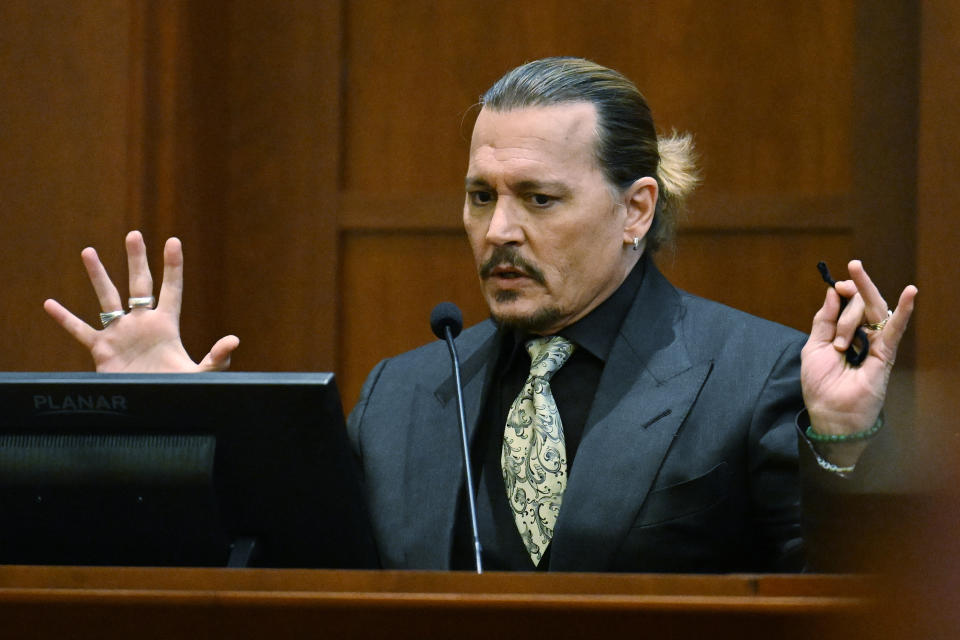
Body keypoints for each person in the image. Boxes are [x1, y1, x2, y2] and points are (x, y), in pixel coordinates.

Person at [44, 57, 917, 572]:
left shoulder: (749, 370)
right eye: (479, 196)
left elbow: (839, 598)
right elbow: (290, 589)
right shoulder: (400, 398)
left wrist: (839, 442)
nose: (498, 230)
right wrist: (175, 437)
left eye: (538, 198)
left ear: (637, 210)